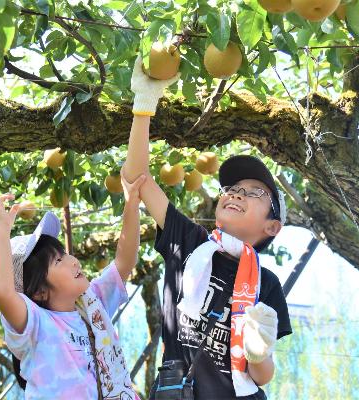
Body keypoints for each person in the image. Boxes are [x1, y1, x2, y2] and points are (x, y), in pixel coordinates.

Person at [122, 58, 292, 399]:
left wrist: (257, 353)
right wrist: (143, 109)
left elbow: (263, 375)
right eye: (231, 189)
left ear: (271, 226)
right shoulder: (190, 243)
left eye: (254, 193)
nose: (236, 194)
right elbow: (135, 180)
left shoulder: (267, 283)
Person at [0, 173, 146, 399]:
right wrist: (3, 229)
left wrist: (131, 203)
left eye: (65, 254)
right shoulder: (35, 325)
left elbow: (125, 260)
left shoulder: (91, 307)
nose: (73, 260)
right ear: (39, 291)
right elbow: (1, 291)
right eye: (59, 260)